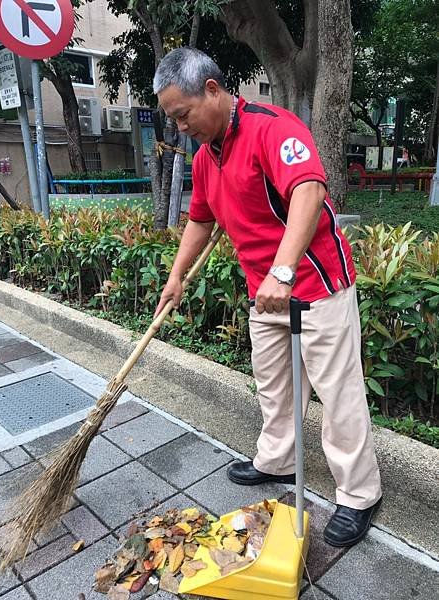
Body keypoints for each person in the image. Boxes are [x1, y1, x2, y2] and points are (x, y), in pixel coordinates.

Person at [153, 47, 382, 548]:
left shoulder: (272, 128)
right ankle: (277, 459)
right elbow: (200, 219)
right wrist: (177, 277)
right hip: (265, 293)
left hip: (315, 284)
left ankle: (359, 493)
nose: (180, 126)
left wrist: (283, 270)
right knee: (274, 385)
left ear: (212, 89)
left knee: (338, 392)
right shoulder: (205, 156)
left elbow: (308, 190)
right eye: (173, 119)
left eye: (183, 114)